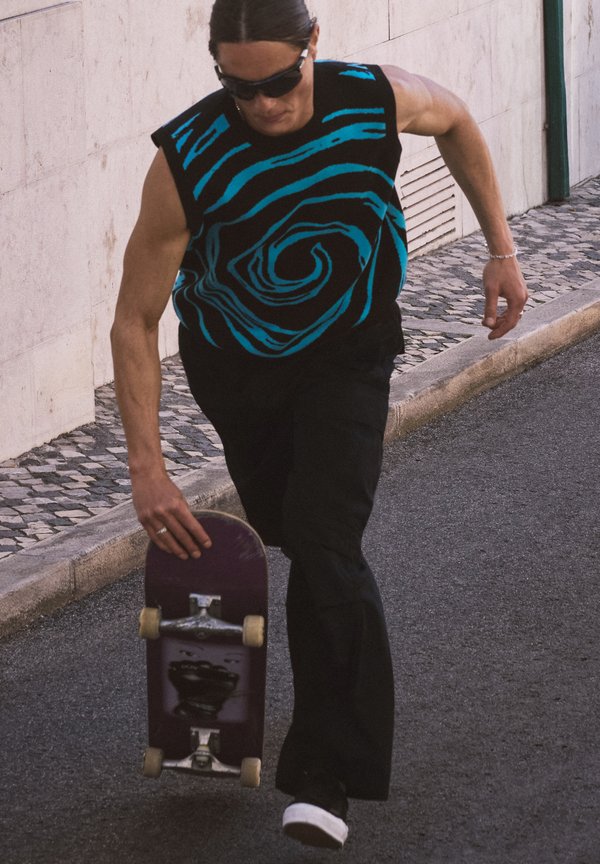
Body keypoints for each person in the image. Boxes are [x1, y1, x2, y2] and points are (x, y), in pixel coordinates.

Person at [111, 0, 528, 850]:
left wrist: (502, 248)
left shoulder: (372, 98)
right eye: (241, 89)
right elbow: (135, 319)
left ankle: (326, 775)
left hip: (350, 350)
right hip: (238, 371)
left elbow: (458, 122)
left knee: (328, 538)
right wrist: (146, 467)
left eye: (280, 82)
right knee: (299, 538)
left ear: (315, 47)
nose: (265, 105)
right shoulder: (187, 157)